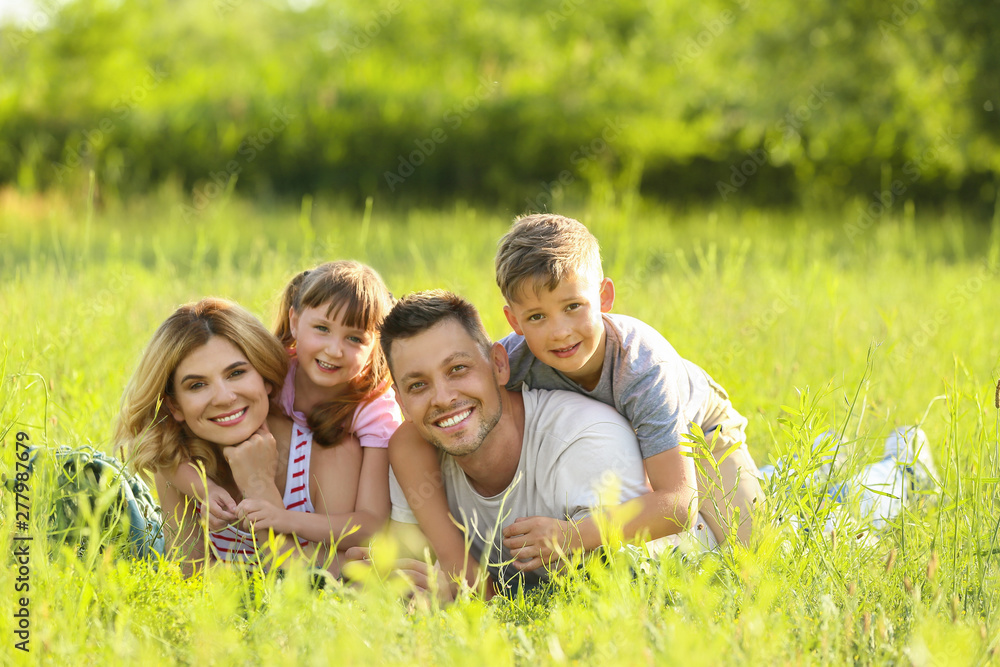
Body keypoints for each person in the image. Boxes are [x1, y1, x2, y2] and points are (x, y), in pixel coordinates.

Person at [390, 214, 764, 578]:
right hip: (629, 441)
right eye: (537, 317)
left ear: (604, 297)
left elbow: (678, 503)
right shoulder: (511, 361)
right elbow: (421, 429)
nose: (560, 333)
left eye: (573, 307)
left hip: (704, 434)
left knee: (758, 557)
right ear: (514, 322)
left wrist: (569, 536)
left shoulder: (643, 368)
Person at [379, 290, 659, 594]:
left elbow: (626, 596)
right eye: (418, 385)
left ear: (499, 364)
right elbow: (410, 566)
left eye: (458, 369)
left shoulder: (583, 442)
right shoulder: (418, 453)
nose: (443, 398)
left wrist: (466, 596)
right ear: (401, 403)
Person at [115, 298, 364, 575]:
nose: (224, 397)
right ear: (175, 406)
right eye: (197, 385)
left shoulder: (330, 453)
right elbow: (191, 580)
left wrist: (259, 485)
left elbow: (332, 586)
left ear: (265, 376)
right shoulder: (178, 463)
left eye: (236, 373)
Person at [160, 261, 399, 545]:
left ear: (377, 345)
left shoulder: (375, 410)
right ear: (294, 322)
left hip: (329, 499)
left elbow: (370, 524)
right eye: (322, 328)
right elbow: (159, 450)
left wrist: (284, 518)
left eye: (355, 338)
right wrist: (205, 489)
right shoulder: (278, 369)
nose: (334, 350)